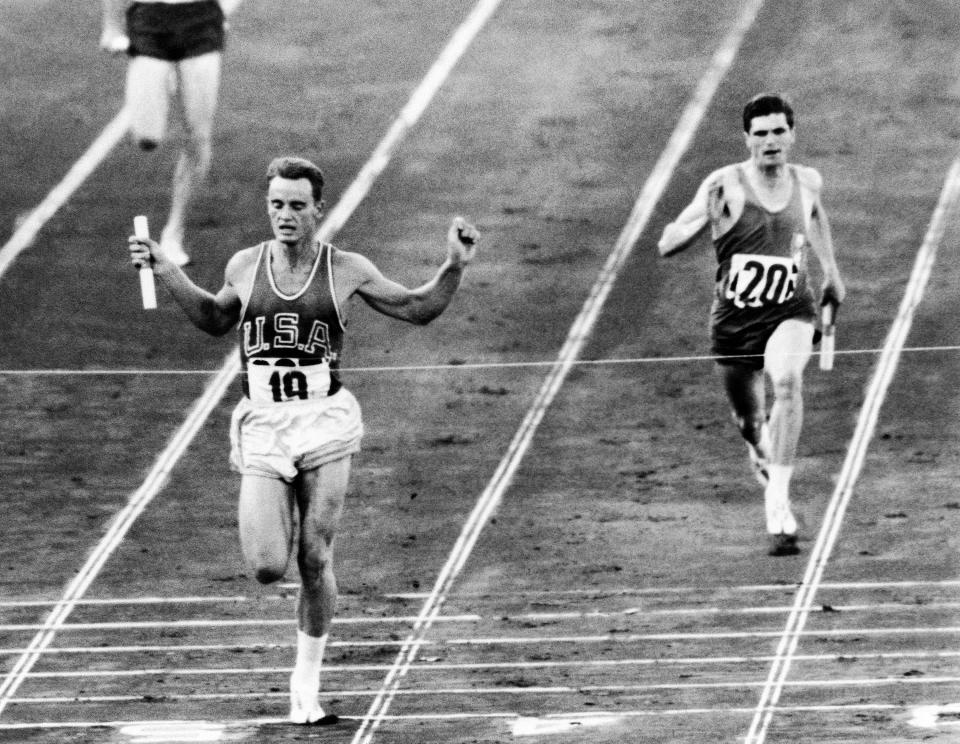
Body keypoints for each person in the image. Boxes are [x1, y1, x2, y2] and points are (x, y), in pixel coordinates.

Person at [128, 155, 479, 722]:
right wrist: (167, 268)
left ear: (318, 209)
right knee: (268, 565)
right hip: (264, 423)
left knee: (315, 557)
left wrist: (453, 265)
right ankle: (301, 660)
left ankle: (306, 688)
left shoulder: (346, 269)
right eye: (276, 205)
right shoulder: (246, 264)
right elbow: (216, 319)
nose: (285, 215)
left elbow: (417, 308)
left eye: (296, 206)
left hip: (325, 422)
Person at [657, 93, 845, 557]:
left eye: (779, 131)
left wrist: (831, 273)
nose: (770, 142)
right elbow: (666, 243)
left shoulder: (809, 182)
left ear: (792, 134)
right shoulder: (724, 184)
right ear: (747, 140)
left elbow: (816, 218)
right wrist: (705, 225)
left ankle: (778, 503)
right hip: (735, 322)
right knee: (749, 420)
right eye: (760, 134)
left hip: (791, 309)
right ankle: (760, 448)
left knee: (786, 382)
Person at [102, 0, 244, 266]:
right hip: (149, 18)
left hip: (200, 21)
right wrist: (111, 25)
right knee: (147, 137)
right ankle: (160, 77)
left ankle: (174, 232)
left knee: (198, 134)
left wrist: (222, 10)